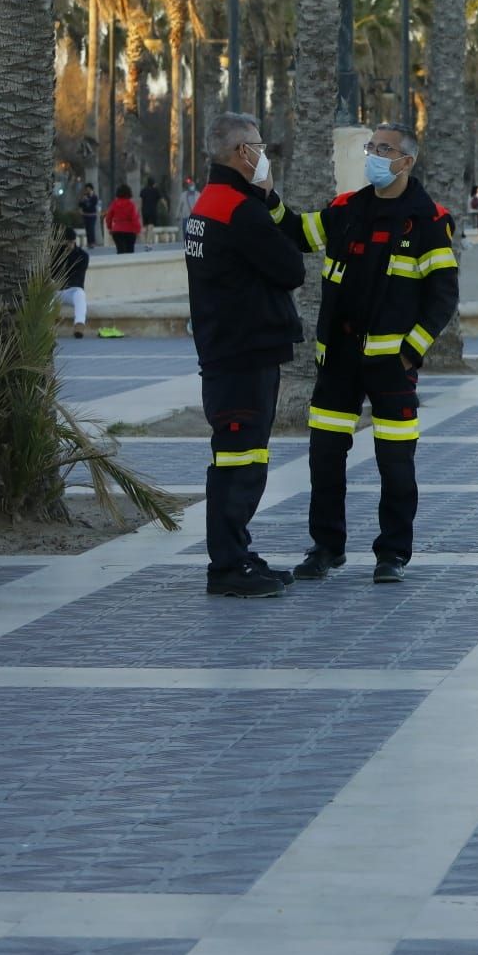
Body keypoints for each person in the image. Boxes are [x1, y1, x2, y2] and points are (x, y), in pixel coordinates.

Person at [274, 123, 460, 586]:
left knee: (396, 463)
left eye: (385, 149)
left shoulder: (429, 220)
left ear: (406, 161)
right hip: (337, 360)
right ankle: (326, 548)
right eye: (371, 147)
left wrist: (410, 351)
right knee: (324, 456)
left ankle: (392, 553)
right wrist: (266, 192)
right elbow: (299, 233)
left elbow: (443, 296)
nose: (374, 155)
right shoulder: (347, 209)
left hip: (391, 367)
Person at [184, 112, 307, 599]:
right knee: (240, 461)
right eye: (259, 147)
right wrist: (266, 195)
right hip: (243, 353)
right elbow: (291, 267)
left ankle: (236, 552)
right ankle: (228, 567)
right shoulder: (239, 209)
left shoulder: (208, 204)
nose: (265, 155)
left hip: (226, 350)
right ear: (241, 154)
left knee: (238, 458)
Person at [53, 227, 90, 340]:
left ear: (74, 241)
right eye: (65, 243)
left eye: (70, 242)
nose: (67, 245)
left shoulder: (82, 256)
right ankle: (47, 326)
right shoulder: (54, 254)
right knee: (46, 297)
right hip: (55, 290)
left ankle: (79, 325)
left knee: (80, 295)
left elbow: (78, 276)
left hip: (71, 289)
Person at [106, 184, 141, 254]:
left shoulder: (114, 203)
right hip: (130, 231)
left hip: (117, 231)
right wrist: (138, 229)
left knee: (120, 251)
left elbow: (108, 217)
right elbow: (134, 218)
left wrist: (109, 227)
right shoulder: (131, 204)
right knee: (130, 251)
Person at [139, 176, 163, 249]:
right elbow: (162, 200)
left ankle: (145, 242)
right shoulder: (156, 190)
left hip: (144, 211)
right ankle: (148, 243)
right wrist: (166, 206)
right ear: (154, 183)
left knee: (145, 227)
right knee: (150, 227)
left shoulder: (143, 190)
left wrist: (139, 210)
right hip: (152, 211)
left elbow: (141, 201)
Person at [79, 183, 100, 248]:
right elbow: (80, 204)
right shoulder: (84, 196)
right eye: (86, 189)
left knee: (91, 228)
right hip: (85, 215)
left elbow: (93, 205)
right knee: (87, 229)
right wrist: (83, 200)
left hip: (92, 215)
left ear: (91, 189)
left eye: (89, 189)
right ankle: (89, 242)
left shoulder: (94, 197)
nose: (87, 191)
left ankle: (92, 242)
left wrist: (87, 200)